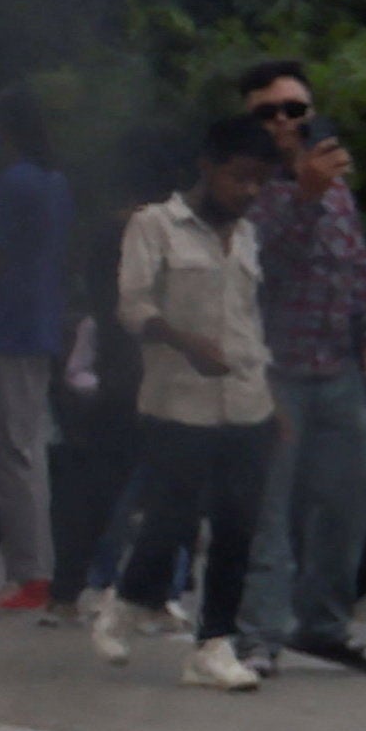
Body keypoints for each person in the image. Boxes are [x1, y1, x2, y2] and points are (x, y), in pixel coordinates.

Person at [97, 113, 277, 693]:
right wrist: (185, 342)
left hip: (248, 400)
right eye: (239, 179)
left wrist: (276, 399)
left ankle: (213, 647)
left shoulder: (248, 235)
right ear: (208, 167)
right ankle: (124, 601)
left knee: (238, 525)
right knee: (174, 516)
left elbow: (251, 321)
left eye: (258, 183)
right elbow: (132, 307)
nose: (248, 193)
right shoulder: (156, 226)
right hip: (178, 402)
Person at [240, 119, 366, 675]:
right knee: (272, 507)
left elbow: (359, 273)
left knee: (351, 497)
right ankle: (258, 633)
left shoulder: (342, 200)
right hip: (277, 369)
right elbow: (263, 266)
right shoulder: (264, 198)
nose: (331, 161)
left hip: (338, 369)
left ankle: (324, 623)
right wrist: (305, 197)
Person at [0, 91, 74, 610]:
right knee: (29, 452)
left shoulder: (13, 184)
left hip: (4, 328)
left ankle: (31, 575)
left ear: (4, 130)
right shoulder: (56, 183)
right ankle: (37, 571)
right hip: (41, 326)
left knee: (7, 457)